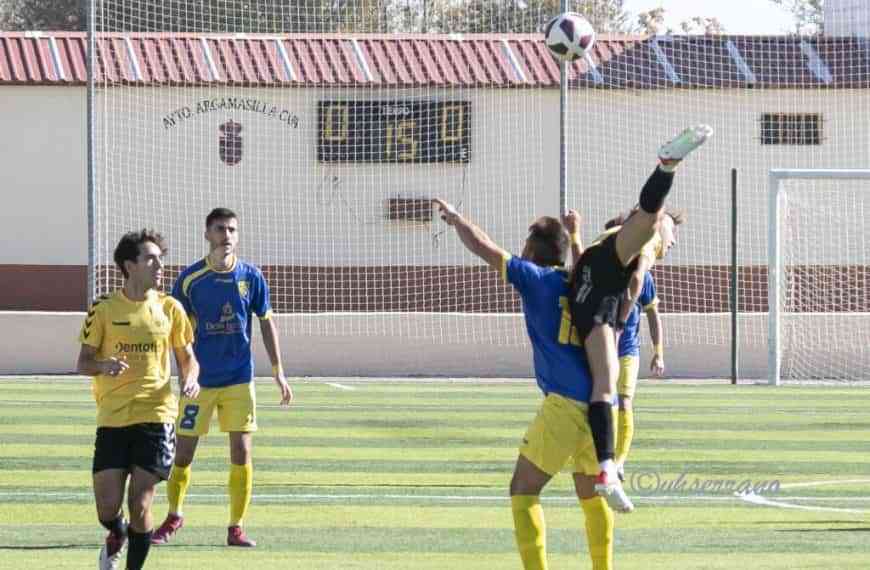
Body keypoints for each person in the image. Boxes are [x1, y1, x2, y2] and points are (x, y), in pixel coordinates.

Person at [432, 201, 615, 570]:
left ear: (532, 250)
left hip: (565, 404)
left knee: (523, 489)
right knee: (591, 495)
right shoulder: (579, 282)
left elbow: (484, 247)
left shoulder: (535, 278)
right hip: (598, 407)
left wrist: (456, 218)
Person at [568, 124, 712, 507]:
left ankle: (607, 469)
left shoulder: (616, 233)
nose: (674, 239)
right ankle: (667, 164)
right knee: (650, 215)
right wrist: (617, 324)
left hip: (585, 290)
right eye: (673, 231)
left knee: (603, 387)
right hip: (604, 285)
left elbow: (588, 261)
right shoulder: (649, 238)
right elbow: (634, 282)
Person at [151, 207, 293, 548]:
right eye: (219, 229)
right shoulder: (189, 280)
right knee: (183, 453)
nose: (226, 235)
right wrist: (185, 372)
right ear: (207, 234)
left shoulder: (251, 277)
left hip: (239, 379)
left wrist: (278, 371)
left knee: (242, 452)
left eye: (231, 229)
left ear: (237, 235)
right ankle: (174, 516)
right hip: (199, 382)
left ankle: (236, 526)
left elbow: (265, 321)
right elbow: (176, 331)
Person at [76, 229, 200, 570]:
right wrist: (104, 365)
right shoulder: (102, 309)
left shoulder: (170, 308)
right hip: (113, 418)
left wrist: (191, 378)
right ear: (130, 266)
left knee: (141, 503)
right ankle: (115, 534)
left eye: (160, 257)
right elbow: (83, 363)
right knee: (107, 506)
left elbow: (188, 357)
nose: (159, 264)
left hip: (156, 416)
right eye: (151, 258)